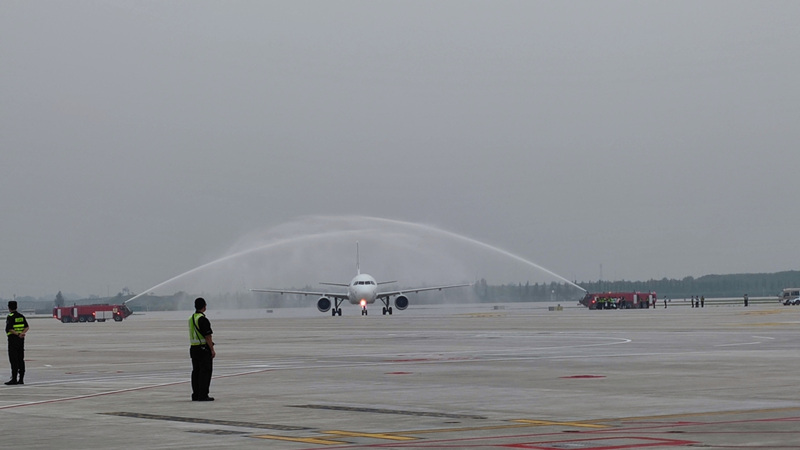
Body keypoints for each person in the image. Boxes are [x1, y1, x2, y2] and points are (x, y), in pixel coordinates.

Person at [189, 297, 215, 401]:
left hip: (193, 348)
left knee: (196, 372)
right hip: (203, 349)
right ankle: (203, 395)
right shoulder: (202, 319)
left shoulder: (191, 318)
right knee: (205, 372)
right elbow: (208, 336)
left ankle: (196, 394)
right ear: (204, 306)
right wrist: (212, 349)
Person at [6, 300, 29, 385]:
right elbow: (27, 327)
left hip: (13, 340)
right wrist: (22, 333)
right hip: (21, 341)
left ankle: (14, 379)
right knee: (20, 359)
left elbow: (9, 329)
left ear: (9, 307)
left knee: (13, 360)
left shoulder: (10, 317)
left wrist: (18, 334)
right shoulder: (21, 316)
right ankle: (21, 379)